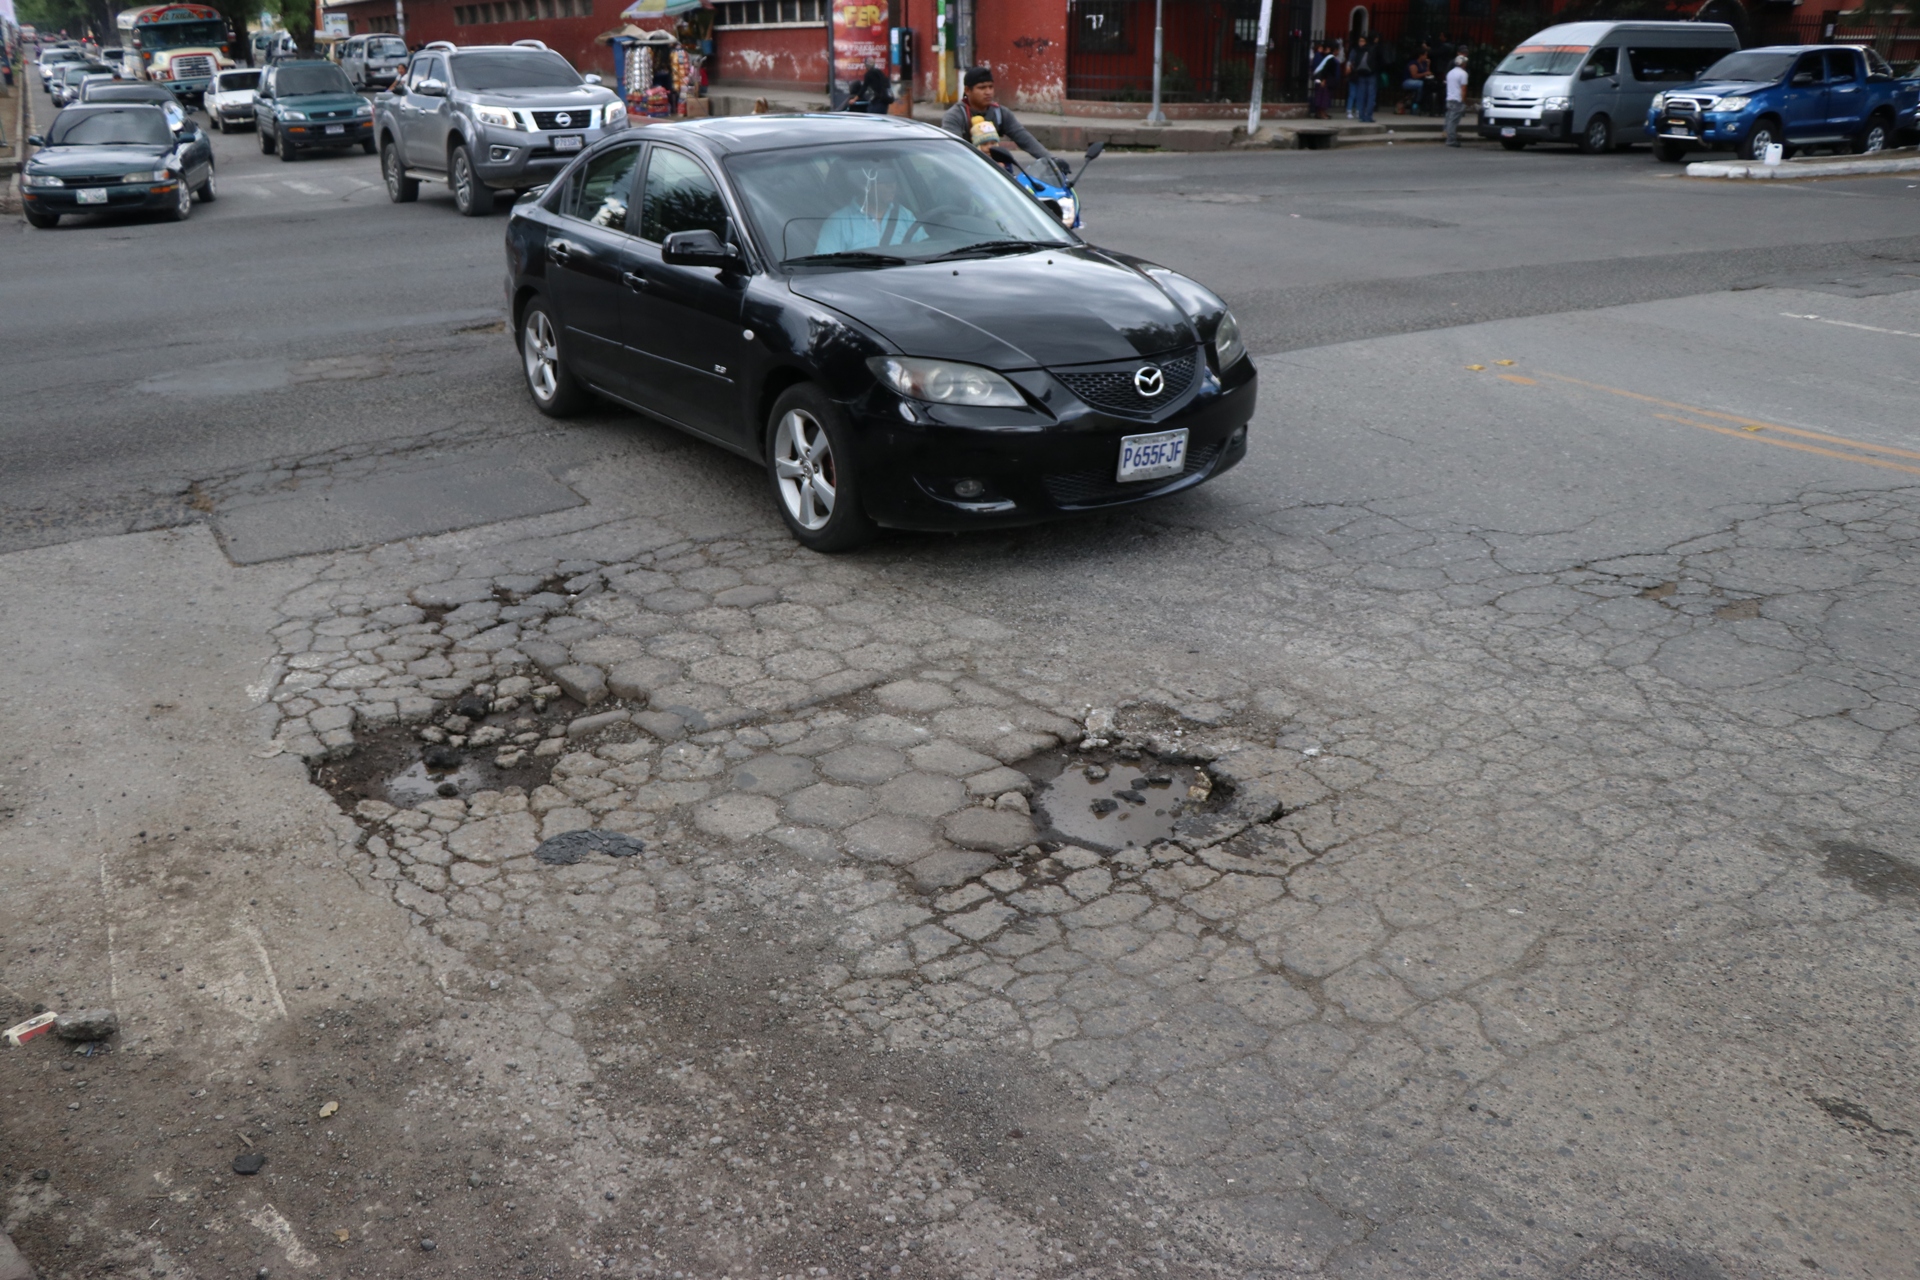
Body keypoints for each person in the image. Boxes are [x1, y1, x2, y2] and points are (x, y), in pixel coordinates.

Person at [940, 66, 1051, 164]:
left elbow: (1024, 138)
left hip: (994, 173)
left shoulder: (1000, 113)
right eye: (982, 88)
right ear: (968, 90)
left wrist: (1051, 161)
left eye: (991, 87)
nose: (988, 92)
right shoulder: (955, 116)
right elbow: (953, 150)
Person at [814, 160, 923, 255]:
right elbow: (826, 266)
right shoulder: (838, 222)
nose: (891, 185)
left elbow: (924, 248)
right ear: (864, 184)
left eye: (893, 177)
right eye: (884, 178)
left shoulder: (904, 215)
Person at [1348, 34, 1377, 123]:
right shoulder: (1373, 49)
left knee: (1361, 95)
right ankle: (1368, 116)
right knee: (1370, 95)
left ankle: (1361, 115)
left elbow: (1352, 62)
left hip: (1361, 74)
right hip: (1371, 74)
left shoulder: (1357, 50)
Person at [1444, 53, 1469, 146]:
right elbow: (1463, 89)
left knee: (1449, 119)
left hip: (1449, 98)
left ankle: (1450, 136)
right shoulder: (1463, 74)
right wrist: (1463, 101)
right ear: (1463, 64)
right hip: (1457, 100)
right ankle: (1451, 140)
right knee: (1453, 121)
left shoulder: (1450, 73)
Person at [1399, 45, 1431, 115]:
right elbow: (1414, 76)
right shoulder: (1413, 64)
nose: (1426, 57)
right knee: (1421, 84)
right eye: (1425, 55)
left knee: (1426, 85)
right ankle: (1417, 101)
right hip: (1408, 81)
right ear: (1420, 55)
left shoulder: (1424, 63)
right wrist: (1425, 73)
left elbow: (1427, 72)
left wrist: (1428, 65)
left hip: (1420, 80)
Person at [1309, 43, 1338, 120]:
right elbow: (1325, 70)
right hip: (1324, 80)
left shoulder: (1324, 57)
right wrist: (1324, 79)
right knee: (1323, 97)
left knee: (1321, 96)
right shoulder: (1329, 58)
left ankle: (1320, 113)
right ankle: (1321, 113)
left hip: (1321, 79)